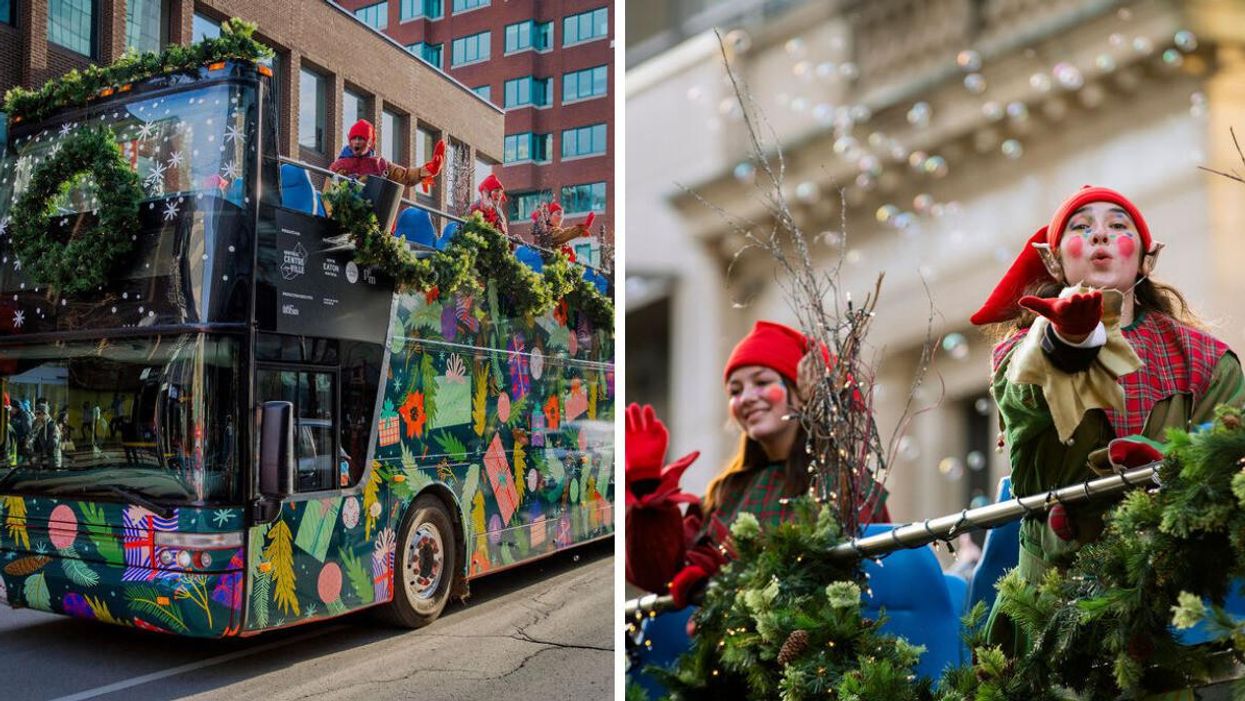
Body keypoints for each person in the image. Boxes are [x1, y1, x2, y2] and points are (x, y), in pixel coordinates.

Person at [970, 185, 1245, 653]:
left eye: (1118, 226)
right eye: (1081, 228)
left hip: (1178, 598)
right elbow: (1027, 400)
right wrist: (1069, 342)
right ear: (1053, 262)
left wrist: (1167, 464)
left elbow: (1226, 459)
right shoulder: (1019, 355)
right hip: (1056, 605)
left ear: (1146, 258)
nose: (1100, 234)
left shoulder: (1207, 360)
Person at [625, 320, 890, 607]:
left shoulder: (844, 483)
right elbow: (659, 576)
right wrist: (646, 485)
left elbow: (868, 576)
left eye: (762, 382)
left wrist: (820, 416)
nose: (747, 398)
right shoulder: (724, 496)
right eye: (735, 391)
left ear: (801, 392)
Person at [329, 119, 445, 194]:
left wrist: (426, 170)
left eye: (362, 138)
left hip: (374, 220)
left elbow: (405, 176)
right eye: (354, 138)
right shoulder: (339, 165)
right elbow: (329, 191)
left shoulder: (380, 165)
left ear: (370, 142)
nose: (357, 142)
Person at [531, 201, 597, 249]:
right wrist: (581, 228)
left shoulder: (554, 230)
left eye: (562, 215)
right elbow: (562, 234)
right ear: (549, 216)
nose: (561, 217)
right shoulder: (548, 231)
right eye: (558, 214)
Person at [27, 399, 62, 469]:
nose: (36, 416)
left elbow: (53, 444)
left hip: (52, 460)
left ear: (45, 413)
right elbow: (36, 441)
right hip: (42, 459)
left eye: (39, 413)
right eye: (35, 414)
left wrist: (42, 454)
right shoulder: (39, 425)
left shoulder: (52, 426)